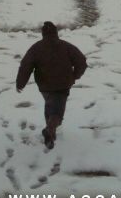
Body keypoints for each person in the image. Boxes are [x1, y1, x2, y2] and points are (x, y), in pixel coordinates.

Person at [16, 21, 87, 149]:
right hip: (63, 84)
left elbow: (25, 66)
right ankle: (51, 128)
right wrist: (75, 75)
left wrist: (20, 83)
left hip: (45, 85)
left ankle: (50, 127)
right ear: (56, 33)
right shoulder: (66, 46)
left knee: (50, 103)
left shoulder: (36, 48)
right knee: (57, 110)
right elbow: (81, 61)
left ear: (43, 34)